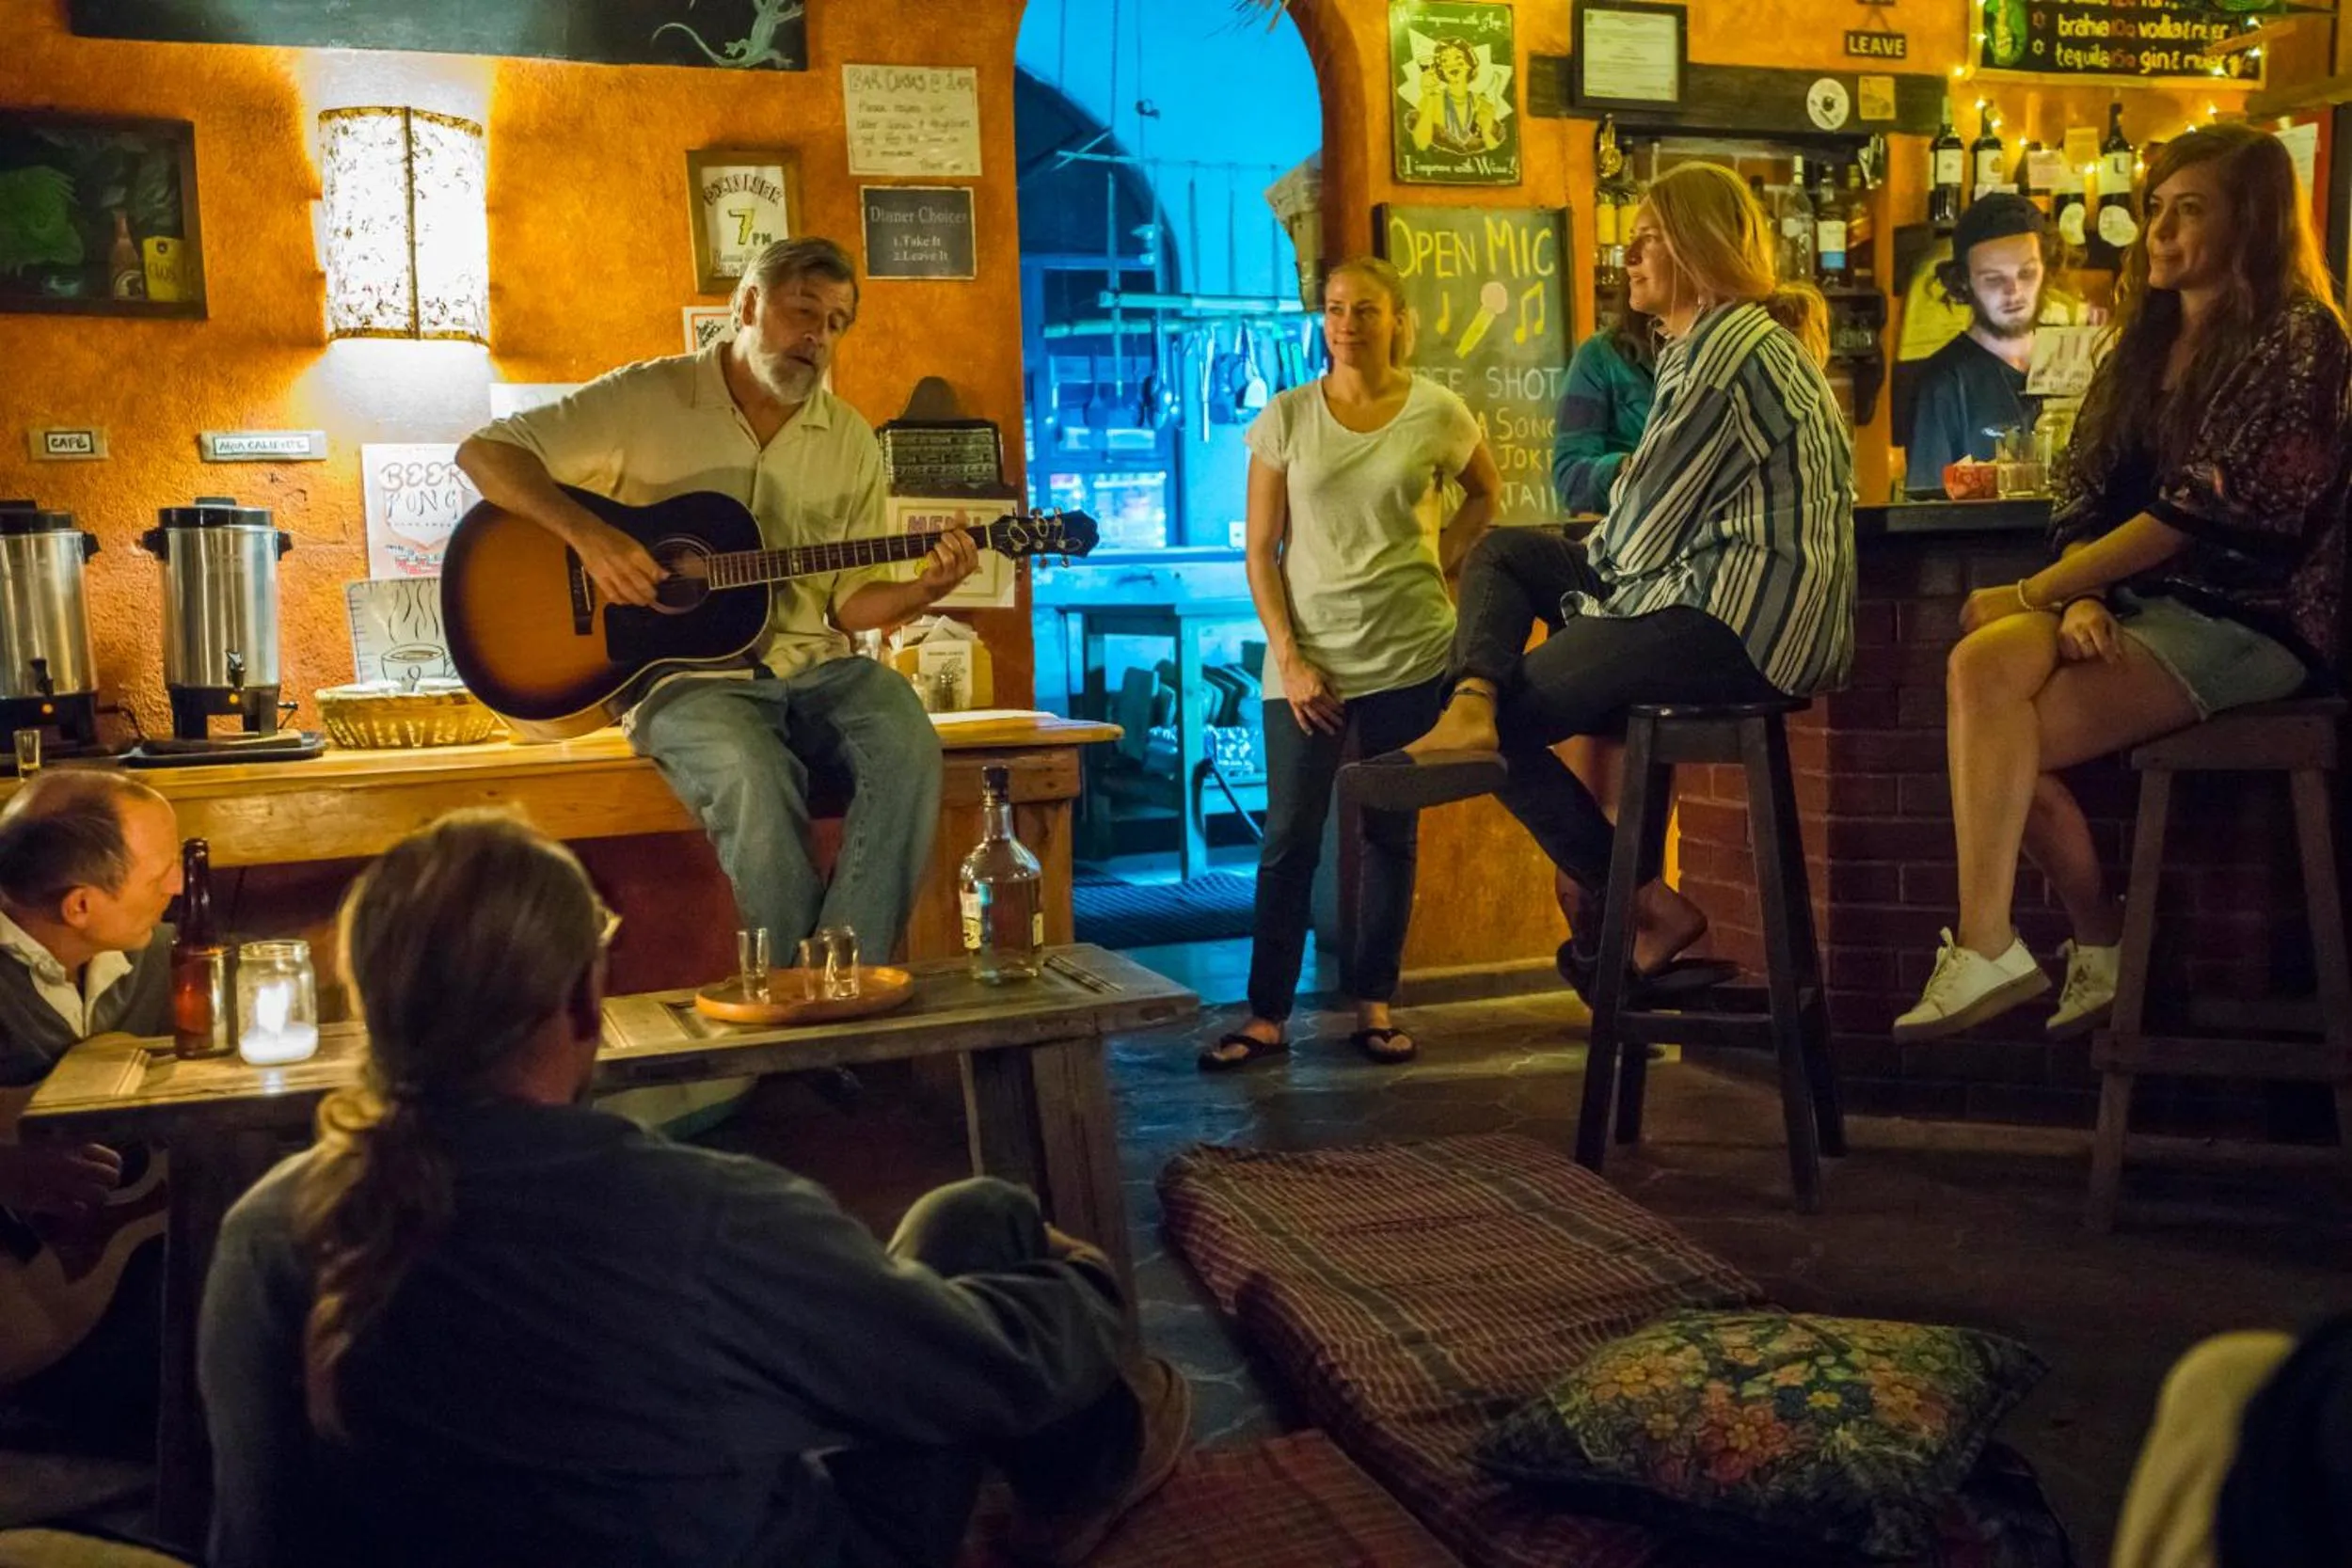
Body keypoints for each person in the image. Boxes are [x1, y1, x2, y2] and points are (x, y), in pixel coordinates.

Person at [199, 810, 1190, 1568]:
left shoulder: (265, 1231)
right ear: (583, 999)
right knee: (985, 1225)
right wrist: (1087, 1287)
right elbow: (988, 1366)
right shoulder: (699, 1212)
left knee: (963, 1220)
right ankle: (1089, 1470)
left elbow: (256, 1531)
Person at [1346, 163, 1855, 993]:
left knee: (1514, 714)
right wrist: (1599, 580)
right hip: (1700, 600)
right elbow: (1637, 517)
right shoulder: (1709, 345)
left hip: (1739, 627)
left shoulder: (1728, 351)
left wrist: (1590, 599)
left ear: (1697, 246)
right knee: (1504, 551)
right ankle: (1468, 704)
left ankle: (1639, 899)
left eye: (1649, 234)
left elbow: (1641, 532)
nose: (1631, 250)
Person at [1894, 123, 2350, 1042]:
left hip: (2249, 619)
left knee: (2006, 745)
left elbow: (2199, 510)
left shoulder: (2297, 336)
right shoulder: (2145, 340)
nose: (2161, 231)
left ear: (2251, 220)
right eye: (2155, 209)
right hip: (2143, 604)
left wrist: (2039, 592)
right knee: (1982, 672)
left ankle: (2099, 942)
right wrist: (2085, 593)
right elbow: (2083, 480)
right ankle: (1995, 942)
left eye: (2190, 209)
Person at [456, 236, 979, 962]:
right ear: (746, 304)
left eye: (836, 323)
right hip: (686, 680)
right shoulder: (646, 397)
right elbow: (485, 453)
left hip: (815, 668)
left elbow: (847, 604)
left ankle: (836, 982)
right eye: (803, 312)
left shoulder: (851, 439)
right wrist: (590, 538)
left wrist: (923, 588)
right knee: (748, 774)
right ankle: (807, 1017)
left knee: (908, 738)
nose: (818, 337)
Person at [1201, 256, 1499, 1071]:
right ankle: (1265, 1014)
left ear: (1397, 318)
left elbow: (1486, 495)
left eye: (1364, 310)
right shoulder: (1289, 417)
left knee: (1388, 834)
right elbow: (1261, 553)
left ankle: (1375, 1001)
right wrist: (1290, 659)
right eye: (1334, 310)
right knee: (1290, 837)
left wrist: (1443, 562)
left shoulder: (1439, 411)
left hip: (1412, 653)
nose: (1346, 325)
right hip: (1309, 662)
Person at [0, 770, 182, 1449]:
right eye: (157, 874)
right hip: (29, 1313)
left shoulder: (160, 958)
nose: (175, 887)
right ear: (79, 905)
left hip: (111, 1285)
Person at [1905, 195, 2052, 496]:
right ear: (1963, 282)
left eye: (2026, 273)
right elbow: (1928, 506)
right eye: (1993, 279)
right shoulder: (1943, 383)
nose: (2014, 292)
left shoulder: (2075, 360)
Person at [1552, 291, 1658, 517]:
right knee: (1506, 547)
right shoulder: (1601, 356)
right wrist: (1630, 467)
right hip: (1629, 535)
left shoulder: (1721, 354)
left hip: (1720, 535)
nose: (1634, 261)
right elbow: (1569, 478)